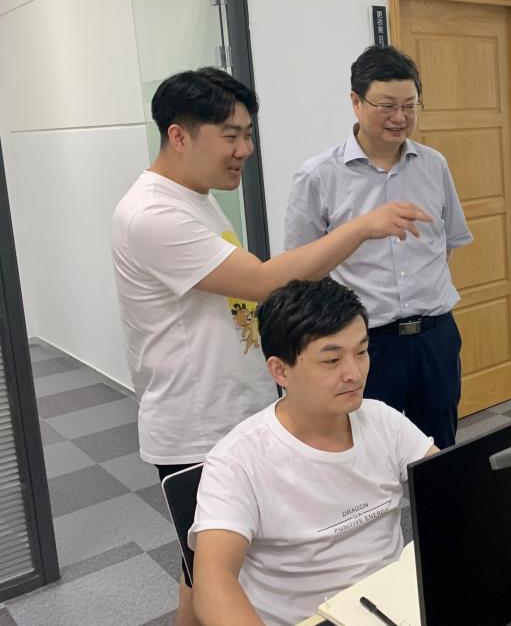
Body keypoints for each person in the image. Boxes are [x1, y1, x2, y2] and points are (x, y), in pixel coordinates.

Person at [110, 67, 429, 624]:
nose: (245, 150)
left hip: (240, 406)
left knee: (218, 564)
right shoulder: (151, 213)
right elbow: (263, 282)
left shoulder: (195, 197)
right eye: (231, 136)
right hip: (199, 423)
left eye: (248, 135)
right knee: (206, 571)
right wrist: (362, 227)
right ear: (178, 135)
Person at [189, 278, 438, 626]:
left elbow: (452, 489)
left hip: (391, 606)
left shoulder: (382, 420)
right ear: (281, 370)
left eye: (361, 352)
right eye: (332, 360)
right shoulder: (238, 460)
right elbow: (213, 580)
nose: (354, 374)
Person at [284, 46, 471, 448]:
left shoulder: (434, 165)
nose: (400, 118)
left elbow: (446, 245)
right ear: (356, 101)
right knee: (364, 451)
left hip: (434, 337)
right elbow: (298, 270)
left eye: (409, 105)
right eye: (386, 106)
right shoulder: (318, 176)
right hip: (364, 344)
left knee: (439, 451)